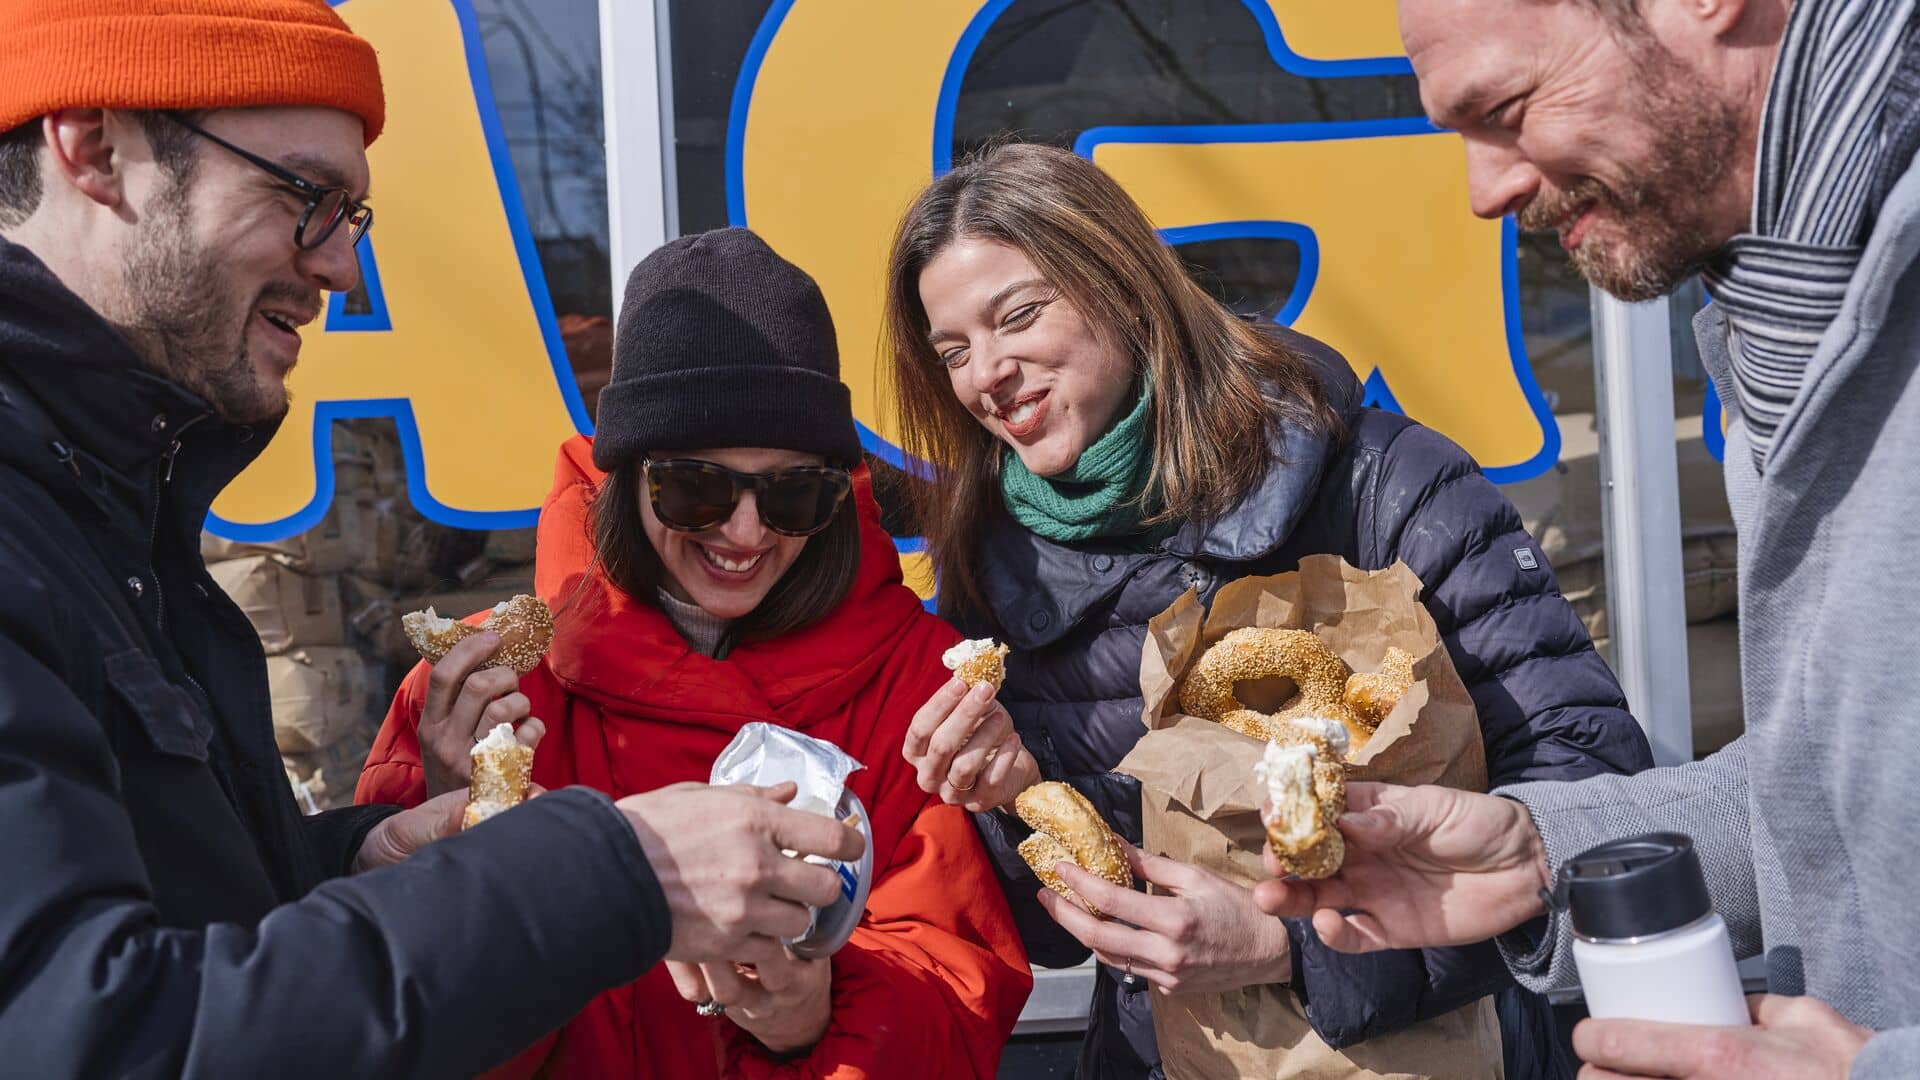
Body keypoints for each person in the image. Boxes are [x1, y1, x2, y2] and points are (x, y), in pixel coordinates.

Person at [0, 4, 863, 1075]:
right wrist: (614, 871)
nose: (341, 268)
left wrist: (350, 865)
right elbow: (90, 1036)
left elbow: (177, 922)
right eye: (304, 196)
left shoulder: (102, 504)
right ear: (93, 147)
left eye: (350, 216)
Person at [881, 141, 1655, 1079]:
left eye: (1019, 315)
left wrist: (1290, 948)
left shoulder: (1383, 484)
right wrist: (1011, 800)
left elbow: (1591, 793)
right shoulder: (996, 562)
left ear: (1124, 285)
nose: (986, 374)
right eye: (954, 351)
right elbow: (1051, 931)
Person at [1257, 0, 1920, 1076]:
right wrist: (1543, 857)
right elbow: (1848, 783)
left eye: (1506, 109)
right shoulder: (1785, 312)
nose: (1485, 191)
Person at [358, 227, 1034, 1078]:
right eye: (695, 488)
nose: (745, 535)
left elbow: (958, 994)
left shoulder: (917, 687)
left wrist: (812, 1019)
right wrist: (464, 851)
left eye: (793, 493)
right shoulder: (480, 685)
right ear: (627, 476)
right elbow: (389, 1024)